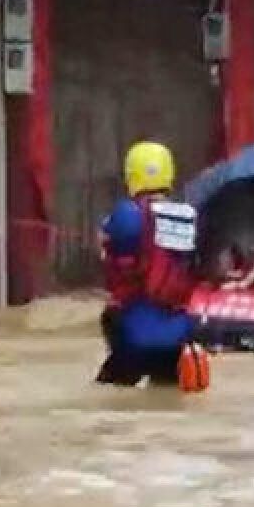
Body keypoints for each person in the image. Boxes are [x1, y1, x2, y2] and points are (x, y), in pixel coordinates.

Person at [96, 141, 202, 387]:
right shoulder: (188, 217)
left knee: (107, 400)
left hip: (133, 335)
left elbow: (110, 256)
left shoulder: (126, 214)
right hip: (178, 338)